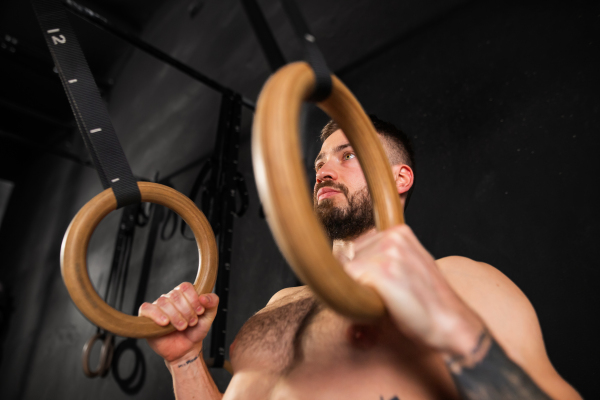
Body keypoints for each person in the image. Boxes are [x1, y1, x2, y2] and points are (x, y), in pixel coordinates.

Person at [139, 116, 581, 399]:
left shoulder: (459, 282)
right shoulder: (281, 302)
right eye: (319, 163)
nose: (324, 171)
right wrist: (184, 359)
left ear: (400, 177)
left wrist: (455, 326)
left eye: (347, 156)